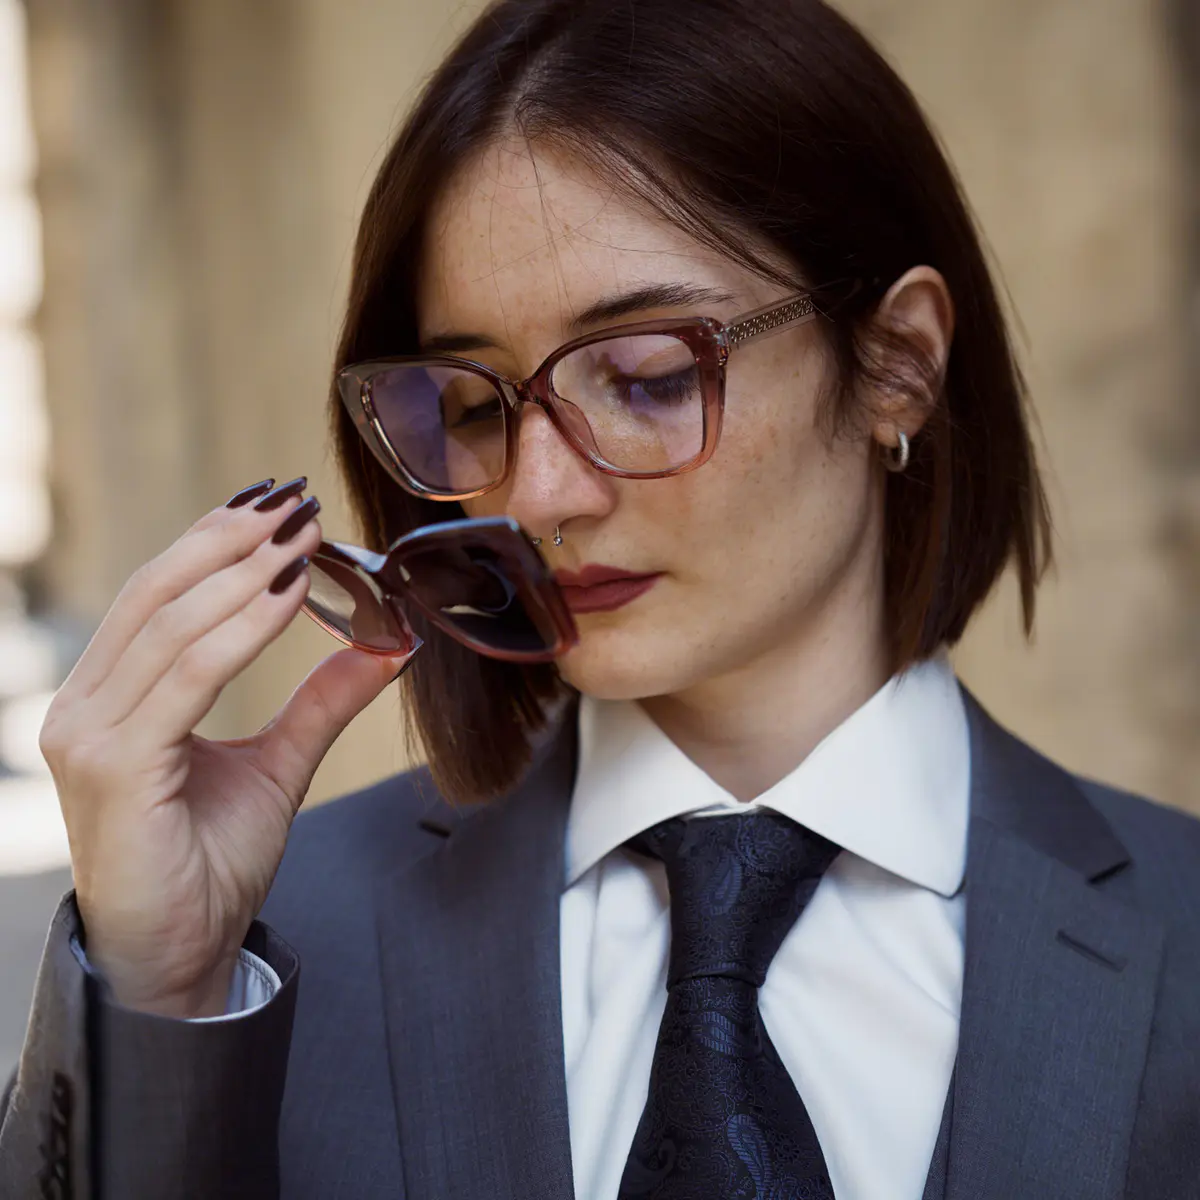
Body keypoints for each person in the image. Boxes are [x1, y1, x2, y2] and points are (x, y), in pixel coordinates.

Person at [3, 0, 1199, 1196]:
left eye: (648, 376)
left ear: (899, 362)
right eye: (474, 409)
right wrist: (155, 998)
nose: (536, 493)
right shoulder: (265, 949)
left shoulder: (1179, 938)